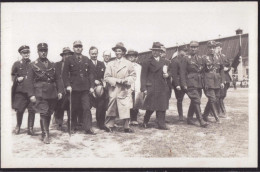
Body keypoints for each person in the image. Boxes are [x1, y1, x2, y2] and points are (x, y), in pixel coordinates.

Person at [27, 43, 63, 144]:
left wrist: (60, 91)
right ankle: (46, 134)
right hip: (40, 92)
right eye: (41, 51)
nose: (43, 52)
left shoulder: (52, 64)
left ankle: (44, 132)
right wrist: (31, 95)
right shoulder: (33, 64)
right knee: (44, 112)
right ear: (38, 52)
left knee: (49, 113)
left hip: (52, 92)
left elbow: (58, 79)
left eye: (45, 50)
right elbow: (29, 81)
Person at [63, 40, 96, 135]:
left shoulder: (86, 59)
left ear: (82, 48)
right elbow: (65, 74)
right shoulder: (69, 60)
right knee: (73, 108)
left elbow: (91, 74)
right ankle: (72, 127)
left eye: (79, 46)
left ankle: (88, 128)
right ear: (73, 48)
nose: (78, 48)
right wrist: (68, 85)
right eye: (76, 46)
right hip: (73, 89)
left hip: (85, 89)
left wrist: (92, 86)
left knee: (86, 108)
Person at [104, 42, 136, 133]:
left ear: (123, 52)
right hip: (113, 88)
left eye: (120, 51)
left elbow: (133, 76)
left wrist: (126, 80)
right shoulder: (110, 64)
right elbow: (106, 77)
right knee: (112, 106)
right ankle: (109, 125)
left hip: (124, 88)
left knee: (125, 106)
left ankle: (126, 126)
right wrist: (116, 81)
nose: (118, 53)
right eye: (116, 51)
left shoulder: (128, 63)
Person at [141, 42, 170, 130]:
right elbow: (143, 76)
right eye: (154, 50)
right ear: (152, 51)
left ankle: (161, 124)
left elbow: (171, 71)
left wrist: (168, 74)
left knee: (162, 106)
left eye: (157, 51)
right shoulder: (147, 62)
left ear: (160, 52)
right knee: (151, 107)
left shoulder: (165, 61)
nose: (155, 52)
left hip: (162, 86)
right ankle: (145, 121)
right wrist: (143, 88)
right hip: (152, 86)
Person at [180, 41, 208, 128]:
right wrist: (184, 84)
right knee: (196, 100)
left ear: (198, 48)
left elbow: (204, 71)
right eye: (192, 47)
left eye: (195, 47)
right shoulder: (185, 58)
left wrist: (204, 82)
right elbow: (182, 72)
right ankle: (200, 120)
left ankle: (189, 118)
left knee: (195, 100)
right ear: (189, 48)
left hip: (199, 82)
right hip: (190, 82)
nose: (193, 49)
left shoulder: (201, 58)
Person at [11, 45, 36, 135]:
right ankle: (18, 126)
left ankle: (30, 129)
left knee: (32, 109)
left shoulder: (33, 64)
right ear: (21, 53)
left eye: (27, 52)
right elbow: (12, 74)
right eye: (24, 53)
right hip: (20, 91)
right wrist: (17, 78)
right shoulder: (17, 64)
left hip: (31, 91)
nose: (26, 54)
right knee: (20, 110)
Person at [202, 41, 225, 123]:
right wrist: (204, 83)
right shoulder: (204, 58)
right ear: (207, 48)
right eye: (210, 47)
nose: (211, 49)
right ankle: (217, 117)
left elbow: (221, 69)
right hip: (209, 81)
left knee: (216, 98)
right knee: (212, 99)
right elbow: (202, 72)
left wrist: (222, 81)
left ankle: (204, 115)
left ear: (215, 48)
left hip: (217, 81)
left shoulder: (219, 57)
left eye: (213, 47)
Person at [53, 47, 74, 130]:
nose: (67, 56)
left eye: (69, 55)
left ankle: (70, 124)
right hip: (60, 88)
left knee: (71, 106)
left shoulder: (73, 64)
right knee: (59, 106)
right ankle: (59, 123)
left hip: (70, 88)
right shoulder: (57, 65)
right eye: (65, 55)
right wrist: (59, 90)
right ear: (63, 56)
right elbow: (55, 78)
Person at [88, 46, 107, 130]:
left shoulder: (101, 64)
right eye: (92, 54)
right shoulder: (86, 63)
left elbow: (105, 75)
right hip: (89, 88)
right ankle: (86, 123)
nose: (94, 55)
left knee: (101, 106)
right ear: (89, 54)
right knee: (87, 106)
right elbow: (85, 76)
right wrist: (93, 82)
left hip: (100, 88)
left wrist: (103, 82)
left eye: (95, 53)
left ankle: (101, 123)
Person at [169, 46, 188, 121]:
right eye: (183, 51)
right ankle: (180, 116)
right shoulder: (175, 60)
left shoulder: (185, 59)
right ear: (179, 51)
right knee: (180, 99)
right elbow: (174, 74)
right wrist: (177, 85)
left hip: (186, 82)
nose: (185, 52)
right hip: (178, 83)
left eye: (186, 51)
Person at [125, 49, 144, 125]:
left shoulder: (139, 67)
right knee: (128, 103)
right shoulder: (125, 65)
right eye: (130, 56)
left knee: (136, 102)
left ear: (136, 57)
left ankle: (134, 119)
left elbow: (140, 77)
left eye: (133, 56)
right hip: (128, 86)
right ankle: (127, 119)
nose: (131, 57)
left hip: (137, 85)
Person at [216, 42, 232, 118]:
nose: (218, 48)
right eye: (217, 47)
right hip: (218, 78)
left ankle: (214, 110)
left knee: (223, 95)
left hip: (226, 78)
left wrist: (227, 68)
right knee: (220, 96)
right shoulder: (214, 57)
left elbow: (229, 65)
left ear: (221, 48)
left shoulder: (224, 56)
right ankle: (221, 111)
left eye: (219, 47)